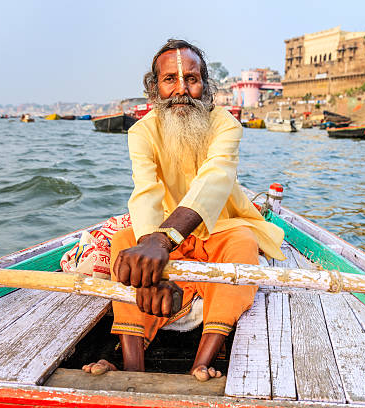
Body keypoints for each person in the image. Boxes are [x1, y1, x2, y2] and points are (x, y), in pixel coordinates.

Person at [82, 39, 285, 382]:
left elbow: (214, 180)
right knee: (124, 243)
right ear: (155, 88)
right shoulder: (142, 132)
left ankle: (203, 360)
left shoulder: (226, 125)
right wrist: (151, 256)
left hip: (218, 229)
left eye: (191, 79)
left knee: (242, 240)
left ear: (205, 84)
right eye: (170, 80)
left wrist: (161, 243)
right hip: (162, 233)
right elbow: (145, 193)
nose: (181, 90)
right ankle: (133, 367)